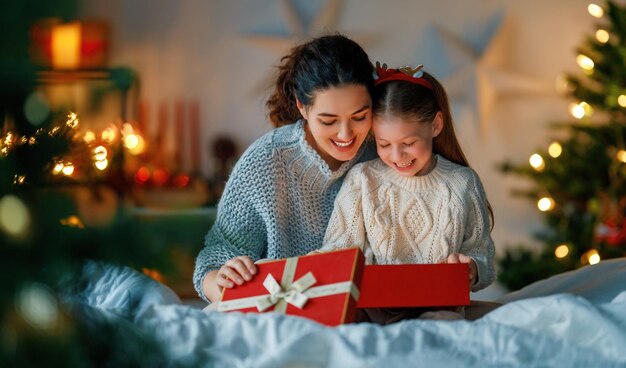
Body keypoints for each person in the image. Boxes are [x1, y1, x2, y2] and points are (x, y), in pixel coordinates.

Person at [193, 34, 376, 303]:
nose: (346, 133)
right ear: (302, 107)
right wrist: (221, 279)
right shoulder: (265, 162)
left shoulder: (385, 151)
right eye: (328, 121)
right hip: (281, 315)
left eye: (359, 117)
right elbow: (211, 264)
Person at [318, 63, 496, 321]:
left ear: (435, 125)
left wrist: (472, 268)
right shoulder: (362, 180)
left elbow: (483, 255)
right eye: (384, 144)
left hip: (440, 310)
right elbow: (338, 251)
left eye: (408, 143)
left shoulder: (462, 182)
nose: (397, 156)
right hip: (372, 312)